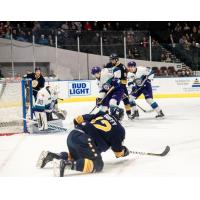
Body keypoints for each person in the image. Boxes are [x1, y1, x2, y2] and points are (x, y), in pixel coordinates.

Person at [36, 107, 129, 177]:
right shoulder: (119, 130)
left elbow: (77, 119)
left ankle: (52, 156)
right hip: (85, 140)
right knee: (98, 164)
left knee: (77, 157)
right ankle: (66, 164)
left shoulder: (102, 114)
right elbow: (118, 153)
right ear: (121, 118)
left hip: (73, 134)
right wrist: (124, 151)